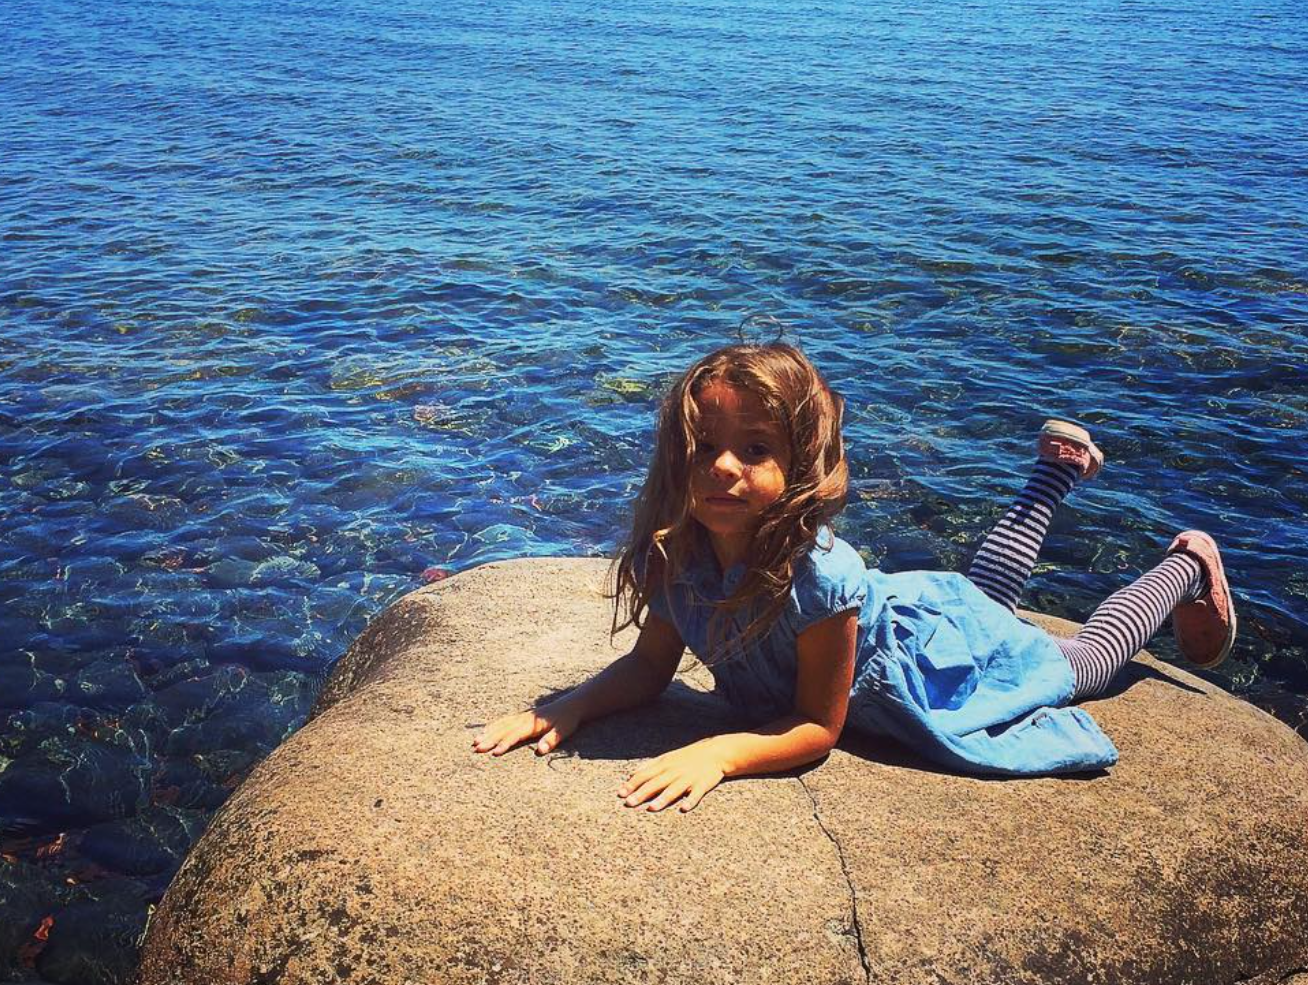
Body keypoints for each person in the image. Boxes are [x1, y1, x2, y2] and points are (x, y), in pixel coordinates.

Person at [471, 335, 1236, 810]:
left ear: (800, 466)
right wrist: (568, 708)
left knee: (1081, 664)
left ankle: (1183, 568)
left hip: (930, 663)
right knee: (988, 594)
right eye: (703, 448)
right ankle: (1054, 478)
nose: (722, 469)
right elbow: (647, 670)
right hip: (930, 612)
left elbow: (817, 728)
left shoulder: (820, 581)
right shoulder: (682, 557)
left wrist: (721, 752)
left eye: (755, 450)